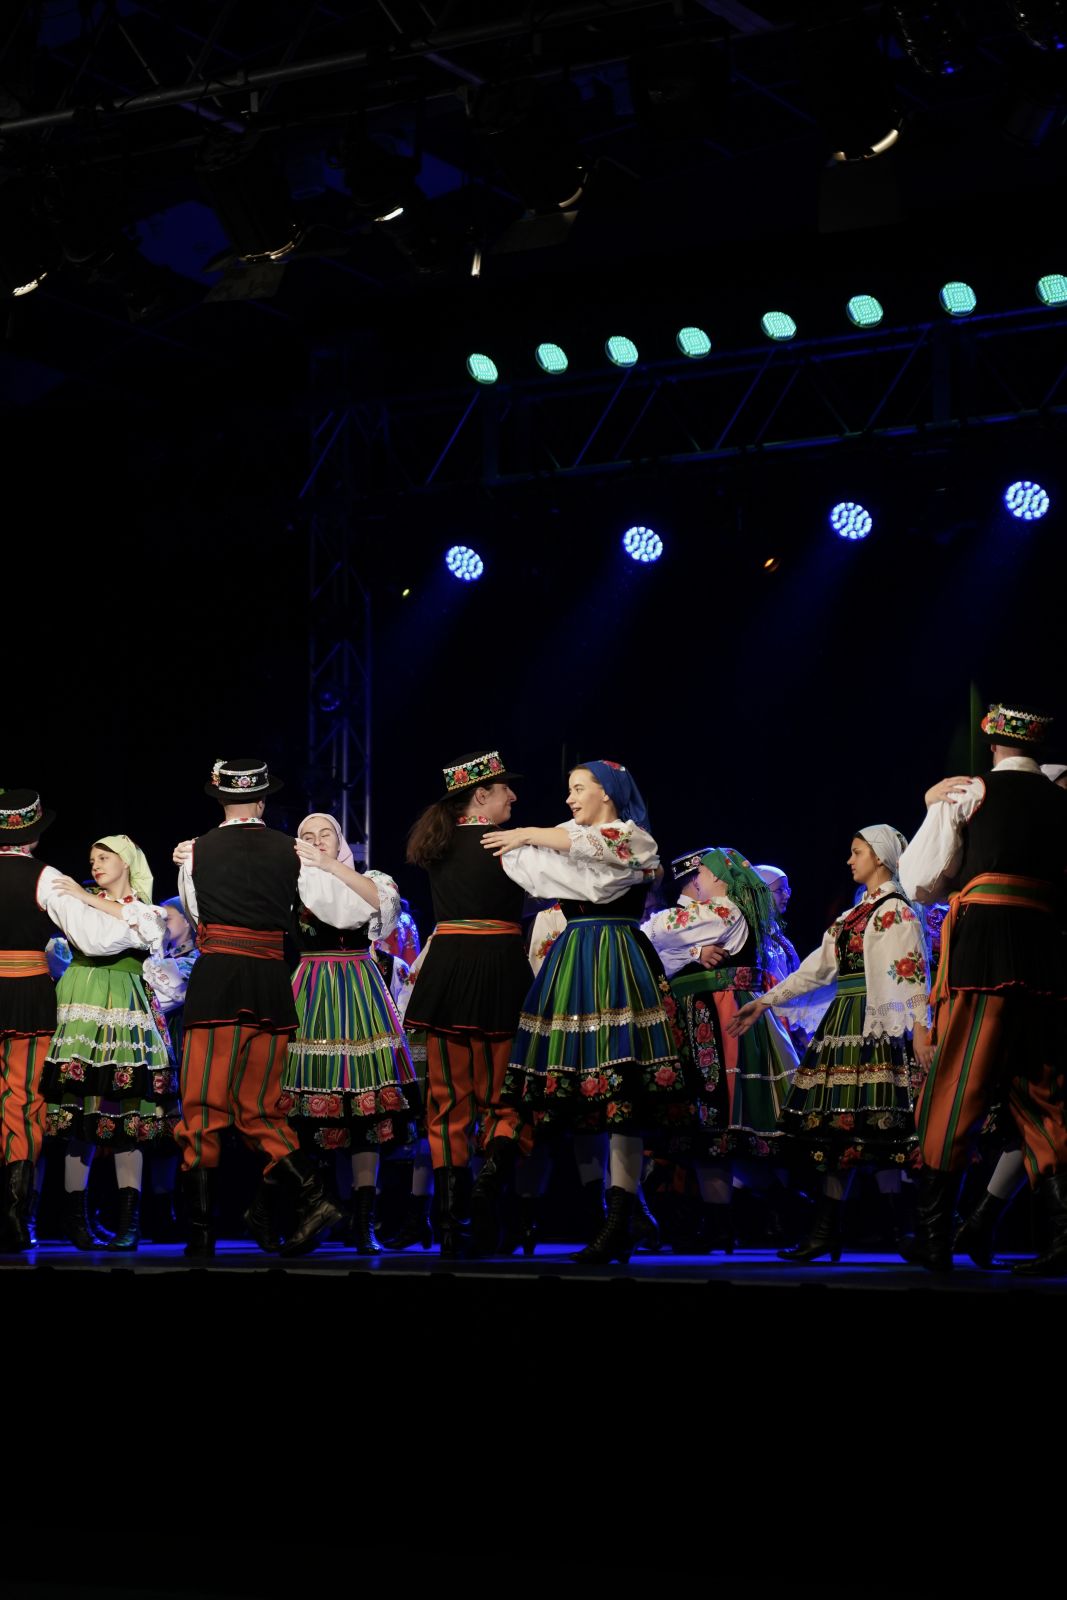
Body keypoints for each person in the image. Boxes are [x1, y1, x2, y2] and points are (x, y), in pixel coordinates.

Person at [484, 759, 689, 1265]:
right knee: (577, 1094)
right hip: (574, 959)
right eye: (569, 790)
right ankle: (610, 1214)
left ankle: (620, 1219)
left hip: (617, 957)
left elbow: (598, 865)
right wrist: (517, 841)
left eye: (579, 788)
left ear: (608, 792)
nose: (570, 798)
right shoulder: (570, 839)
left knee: (623, 1091)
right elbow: (537, 870)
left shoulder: (634, 838)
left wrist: (528, 834)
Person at [899, 702, 1067, 1274]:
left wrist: (934, 807)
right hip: (1045, 952)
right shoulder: (1061, 800)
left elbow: (920, 881)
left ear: (992, 744)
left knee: (957, 1079)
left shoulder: (969, 792)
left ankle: (934, 1235)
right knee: (1042, 1087)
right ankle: (1063, 1236)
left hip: (984, 949)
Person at [730, 826, 934, 1264]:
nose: (849, 860)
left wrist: (921, 1028)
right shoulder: (853, 916)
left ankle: (906, 1230)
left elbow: (912, 971)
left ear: (879, 857)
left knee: (883, 1129)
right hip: (844, 1022)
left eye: (857, 852)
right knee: (836, 1131)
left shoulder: (896, 911)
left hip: (877, 1025)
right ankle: (828, 1232)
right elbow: (816, 969)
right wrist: (765, 1002)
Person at [173, 757, 341, 1258]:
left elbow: (197, 915)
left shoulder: (196, 851)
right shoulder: (292, 849)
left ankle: (202, 1234)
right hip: (270, 983)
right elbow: (319, 908)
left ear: (220, 799)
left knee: (203, 1106)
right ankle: (313, 1196)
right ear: (263, 801)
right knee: (261, 1107)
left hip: (219, 983)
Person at [403, 750, 534, 1254]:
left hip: (450, 975)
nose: (513, 796)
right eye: (504, 789)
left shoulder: (437, 844)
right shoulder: (508, 846)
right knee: (505, 1096)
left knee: (448, 1101)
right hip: (501, 970)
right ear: (481, 794)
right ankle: (486, 1194)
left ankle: (451, 1222)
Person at [642, 847, 798, 1253]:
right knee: (711, 1128)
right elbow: (658, 950)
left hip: (717, 1017)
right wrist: (693, 952)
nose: (700, 880)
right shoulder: (719, 914)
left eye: (704, 874)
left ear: (716, 878)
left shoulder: (723, 911)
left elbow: (651, 931)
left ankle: (741, 1220)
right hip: (704, 1013)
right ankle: (724, 1222)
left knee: (719, 1117)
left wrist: (681, 949)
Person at [279, 812, 417, 1254]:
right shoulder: (293, 884)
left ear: (341, 841)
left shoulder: (371, 878)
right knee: (310, 1107)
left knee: (365, 1112)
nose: (317, 841)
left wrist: (330, 865)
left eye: (326, 834)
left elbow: (384, 911)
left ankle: (363, 1221)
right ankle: (317, 1211)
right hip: (310, 987)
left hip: (359, 988)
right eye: (307, 836)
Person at [42, 833, 172, 1252]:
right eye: (92, 859)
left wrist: (87, 897)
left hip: (125, 1005)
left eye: (103, 857)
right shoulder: (80, 904)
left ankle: (128, 1222)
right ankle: (75, 1220)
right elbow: (88, 940)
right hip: (83, 1001)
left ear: (127, 861)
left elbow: (147, 929)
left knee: (125, 1113)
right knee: (78, 1114)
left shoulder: (145, 908)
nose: (95, 865)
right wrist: (85, 899)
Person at [139, 897, 198, 1242]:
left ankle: (187, 1210)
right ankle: (159, 1211)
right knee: (159, 1131)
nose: (161, 925)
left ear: (189, 922)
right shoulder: (154, 957)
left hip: (183, 1049)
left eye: (169, 919)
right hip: (155, 1050)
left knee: (184, 1130)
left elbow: (168, 996)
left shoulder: (196, 960)